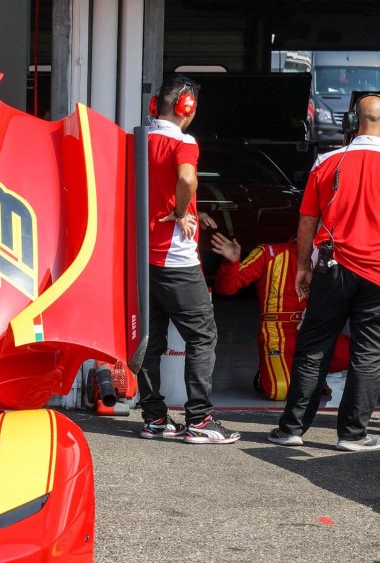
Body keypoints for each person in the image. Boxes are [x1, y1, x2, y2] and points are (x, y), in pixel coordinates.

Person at [269, 93, 380, 451]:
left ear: (352, 122)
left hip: (332, 267)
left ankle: (291, 428)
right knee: (369, 352)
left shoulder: (327, 161)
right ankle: (353, 434)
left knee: (314, 345)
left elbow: (307, 220)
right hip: (377, 273)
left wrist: (303, 266)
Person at [137, 74, 240, 444]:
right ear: (187, 107)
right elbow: (186, 179)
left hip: (139, 257)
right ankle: (199, 419)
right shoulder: (183, 142)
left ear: (155, 105)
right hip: (175, 260)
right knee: (203, 336)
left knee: (150, 339)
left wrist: (190, 208)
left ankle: (154, 418)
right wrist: (182, 210)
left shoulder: (136, 138)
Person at [210, 232, 350, 400]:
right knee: (280, 390)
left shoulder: (332, 257)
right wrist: (231, 262)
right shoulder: (268, 252)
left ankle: (313, 375)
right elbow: (226, 288)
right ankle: (270, 374)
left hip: (316, 331)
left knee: (363, 353)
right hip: (278, 333)